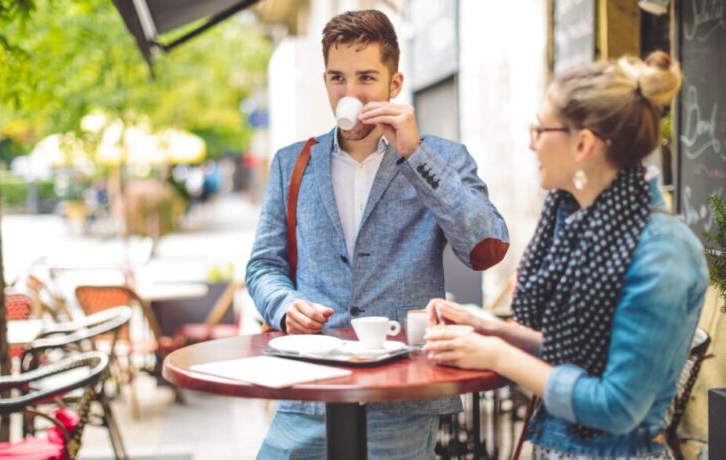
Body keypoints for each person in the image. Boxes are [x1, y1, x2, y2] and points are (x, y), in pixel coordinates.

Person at [245, 9, 509, 459]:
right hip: (307, 395)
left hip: (401, 399)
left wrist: (414, 152)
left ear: (395, 83)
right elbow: (263, 265)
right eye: (337, 78)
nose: (350, 93)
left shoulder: (440, 157)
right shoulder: (293, 164)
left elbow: (486, 247)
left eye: (366, 77)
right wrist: (285, 305)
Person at [423, 51, 709, 459]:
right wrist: (488, 329)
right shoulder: (587, 223)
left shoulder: (663, 252)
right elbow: (575, 354)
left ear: (583, 143)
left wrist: (497, 355)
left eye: (540, 128)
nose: (531, 141)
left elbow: (617, 405)